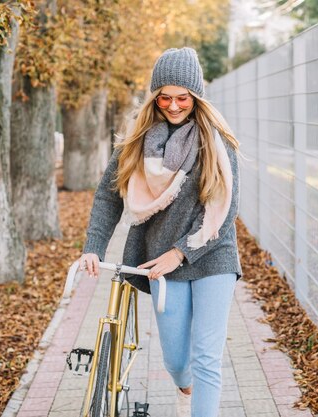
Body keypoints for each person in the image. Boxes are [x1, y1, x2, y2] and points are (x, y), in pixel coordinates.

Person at [78, 47, 241, 417]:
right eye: (164, 97)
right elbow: (108, 197)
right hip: (158, 261)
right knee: (176, 359)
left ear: (196, 97)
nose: (173, 105)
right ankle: (185, 389)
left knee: (206, 357)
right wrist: (93, 247)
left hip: (211, 253)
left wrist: (180, 252)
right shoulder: (136, 143)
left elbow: (226, 208)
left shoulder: (216, 142)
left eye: (183, 97)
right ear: (155, 97)